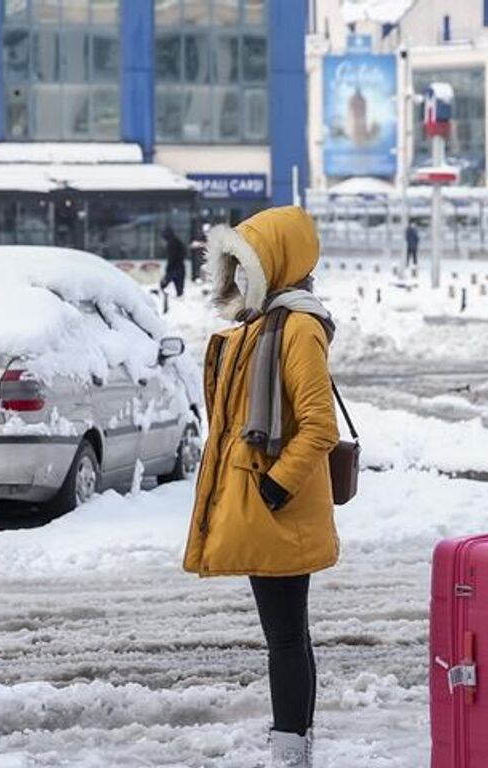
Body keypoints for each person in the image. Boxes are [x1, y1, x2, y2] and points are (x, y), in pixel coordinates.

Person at [183, 206, 339, 768]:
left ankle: (289, 750)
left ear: (273, 264)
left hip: (278, 506)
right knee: (290, 633)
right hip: (267, 502)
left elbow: (320, 425)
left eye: (244, 267)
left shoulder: (296, 329)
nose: (238, 280)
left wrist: (274, 487)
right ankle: (296, 744)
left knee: (285, 637)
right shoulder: (261, 327)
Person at [162, 227, 188, 298]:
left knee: (163, 285)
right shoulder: (178, 242)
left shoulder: (171, 244)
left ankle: (164, 300)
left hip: (173, 269)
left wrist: (168, 269)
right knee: (179, 290)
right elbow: (183, 254)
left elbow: (171, 258)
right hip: (180, 268)